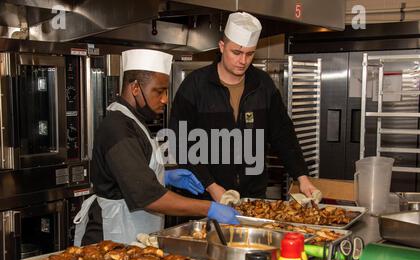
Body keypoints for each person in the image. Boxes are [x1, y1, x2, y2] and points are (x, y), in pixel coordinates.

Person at [73, 49, 239, 246]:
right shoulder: (118, 128)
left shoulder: (135, 121)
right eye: (159, 91)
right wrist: (209, 208)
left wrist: (164, 176)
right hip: (110, 239)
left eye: (166, 91)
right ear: (135, 88)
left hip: (132, 234)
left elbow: (130, 174)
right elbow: (148, 196)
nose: (165, 99)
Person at [169, 12, 320, 202]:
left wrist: (302, 177)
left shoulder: (262, 84)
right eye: (237, 52)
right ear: (222, 47)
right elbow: (181, 142)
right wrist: (211, 186)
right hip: (204, 197)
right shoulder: (195, 85)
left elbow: (283, 133)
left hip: (252, 197)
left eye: (250, 54)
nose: (243, 61)